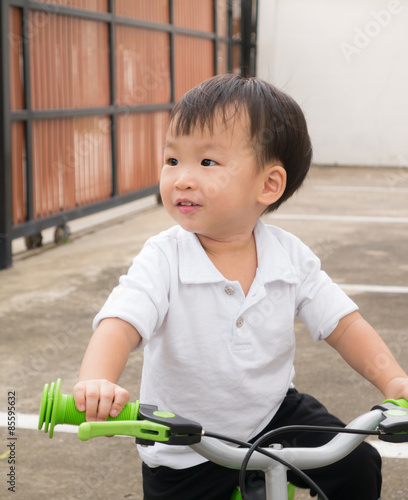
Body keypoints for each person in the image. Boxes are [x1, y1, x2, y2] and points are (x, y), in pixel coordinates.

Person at [73, 74, 408, 500]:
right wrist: (97, 381)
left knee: (355, 464)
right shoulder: (164, 257)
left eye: (207, 163)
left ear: (268, 185)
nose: (182, 179)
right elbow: (120, 323)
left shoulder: (289, 256)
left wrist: (395, 382)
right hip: (185, 441)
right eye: (172, 160)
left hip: (272, 417)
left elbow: (344, 324)